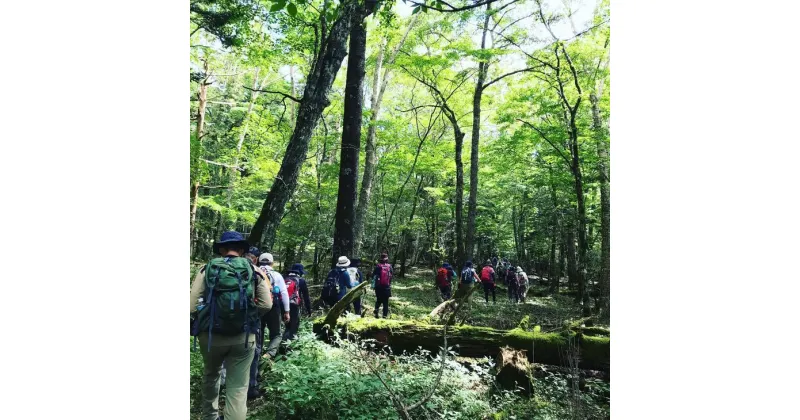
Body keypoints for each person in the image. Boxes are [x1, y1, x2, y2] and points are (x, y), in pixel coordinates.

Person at [190, 231, 272, 420]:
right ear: (242, 250)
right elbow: (267, 304)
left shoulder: (206, 269)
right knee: (238, 386)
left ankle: (210, 416)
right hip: (242, 337)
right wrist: (249, 315)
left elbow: (192, 304)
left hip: (211, 336)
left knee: (211, 375)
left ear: (221, 249)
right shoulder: (254, 270)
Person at [248, 252, 290, 400]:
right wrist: (287, 311)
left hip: (258, 307)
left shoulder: (254, 271)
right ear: (272, 263)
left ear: (259, 261)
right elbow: (284, 293)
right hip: (274, 307)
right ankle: (269, 355)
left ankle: (257, 357)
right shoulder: (277, 275)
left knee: (258, 338)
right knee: (277, 334)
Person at [282, 263, 312, 341]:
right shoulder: (301, 281)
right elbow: (306, 297)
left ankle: (283, 343)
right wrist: (309, 311)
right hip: (293, 305)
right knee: (293, 326)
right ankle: (287, 347)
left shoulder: (284, 278)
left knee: (286, 325)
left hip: (282, 304)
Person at [372, 253, 393, 318]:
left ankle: (376, 313)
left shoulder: (378, 267)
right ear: (387, 259)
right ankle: (384, 316)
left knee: (378, 300)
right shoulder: (390, 267)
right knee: (385, 302)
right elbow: (391, 276)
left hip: (378, 287)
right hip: (386, 287)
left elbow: (373, 276)